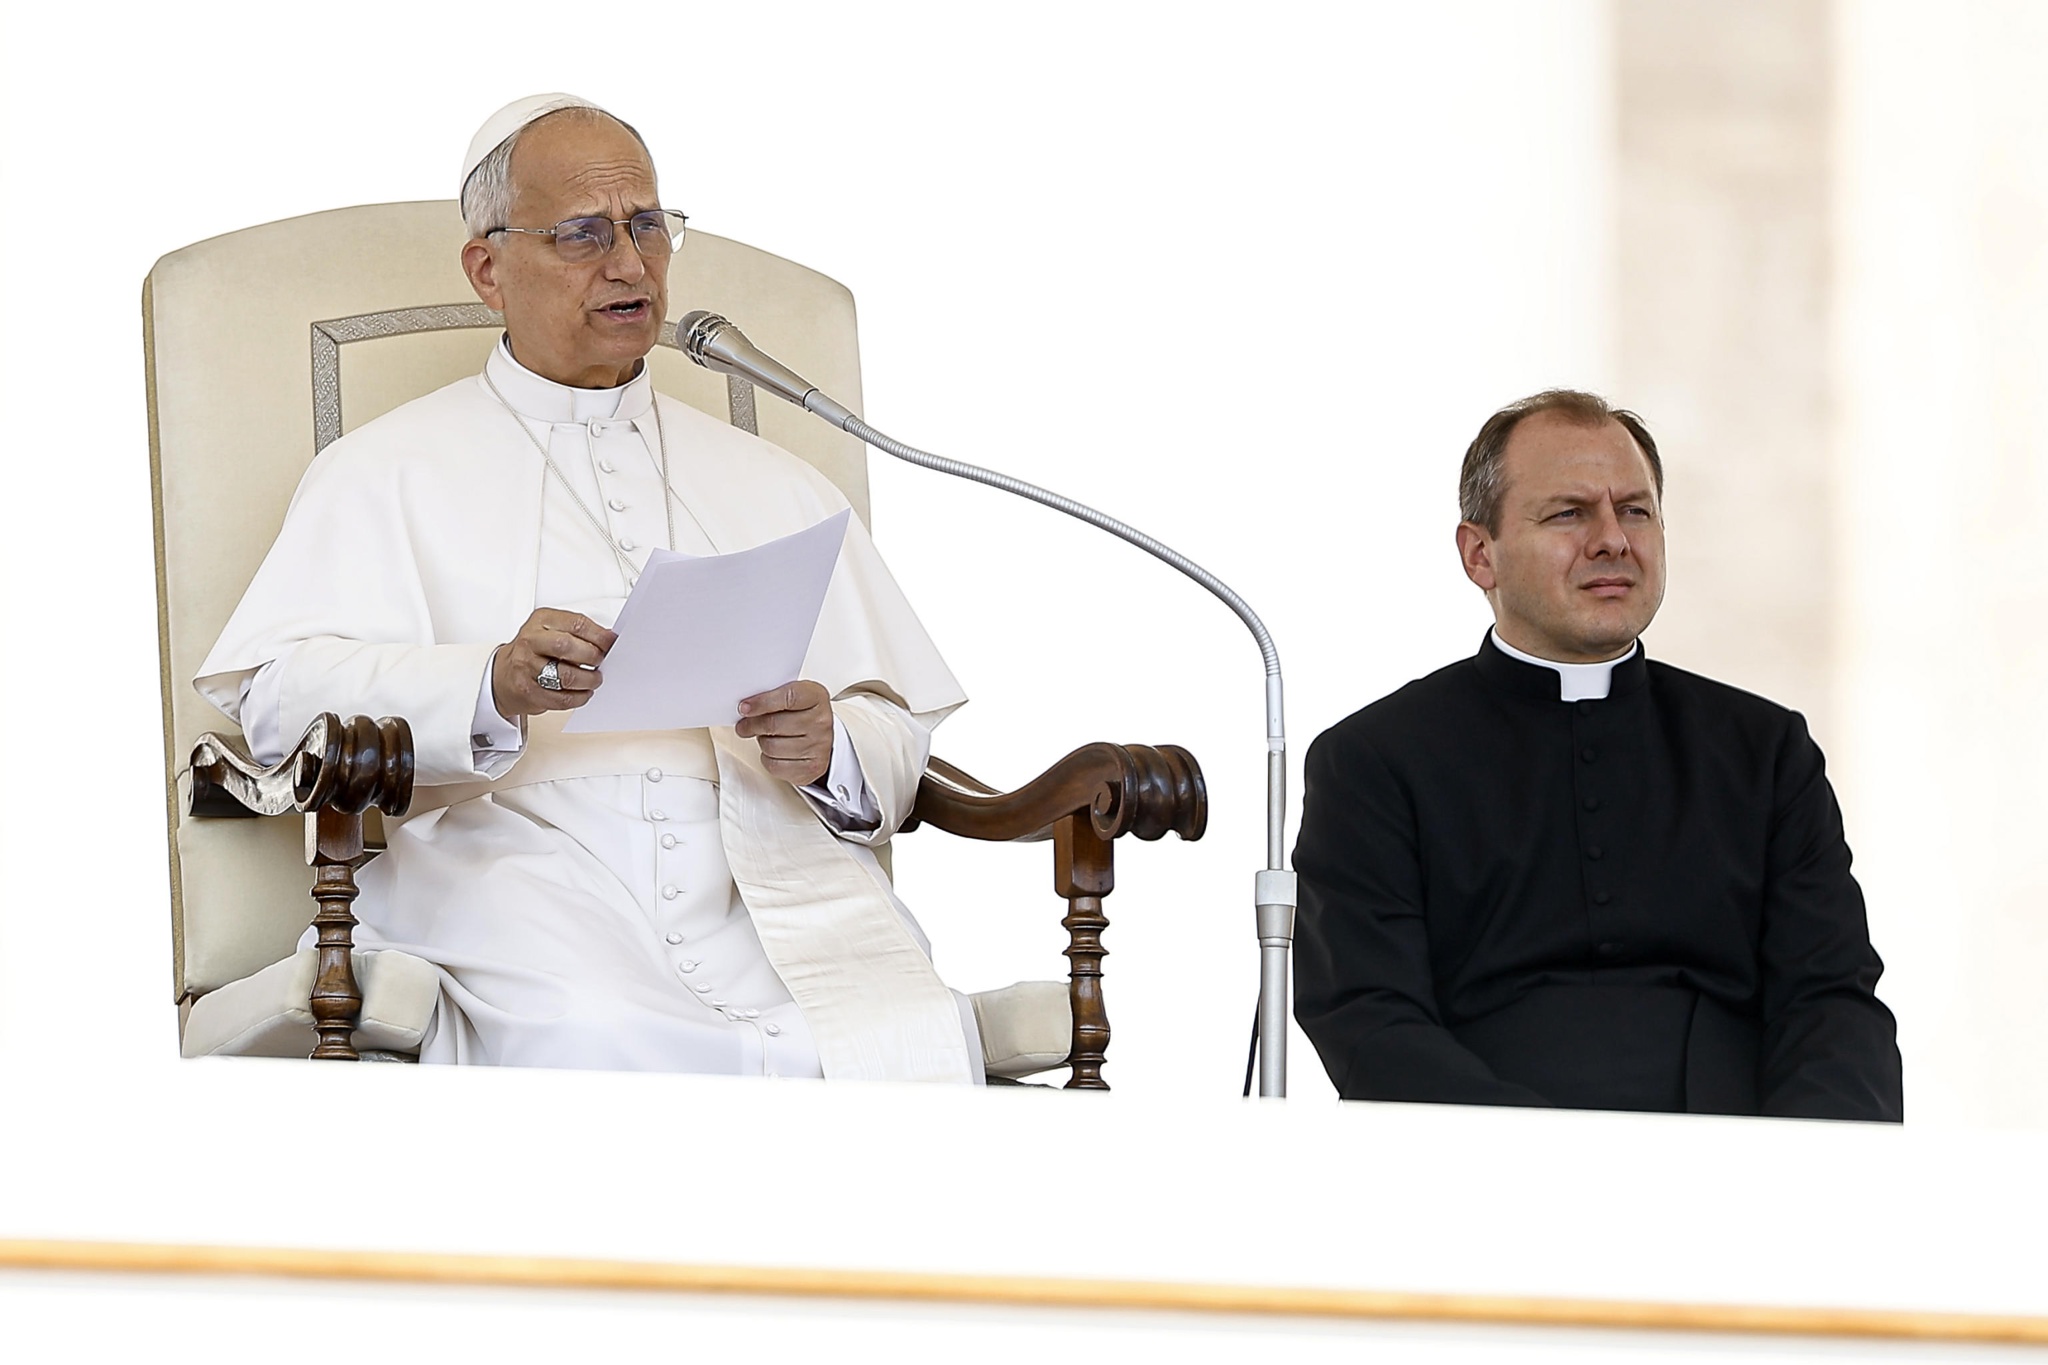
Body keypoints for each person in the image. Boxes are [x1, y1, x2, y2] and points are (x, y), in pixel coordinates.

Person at [195, 94, 982, 1083]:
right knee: (590, 1030)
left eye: (647, 225)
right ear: (488, 268)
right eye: (581, 234)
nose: (628, 263)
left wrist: (835, 748)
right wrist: (488, 684)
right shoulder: (384, 471)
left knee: (889, 1033)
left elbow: (895, 721)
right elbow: (278, 700)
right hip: (515, 870)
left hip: (768, 883)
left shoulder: (773, 481)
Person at [1292, 389, 1903, 1120]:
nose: (1613, 539)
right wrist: (1543, 1160)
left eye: (1635, 510)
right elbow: (1369, 1017)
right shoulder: (1374, 761)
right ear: (1479, 553)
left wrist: (1810, 1171)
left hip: (1742, 1175)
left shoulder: (1765, 752)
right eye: (1569, 512)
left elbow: (1832, 1000)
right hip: (1480, 1174)